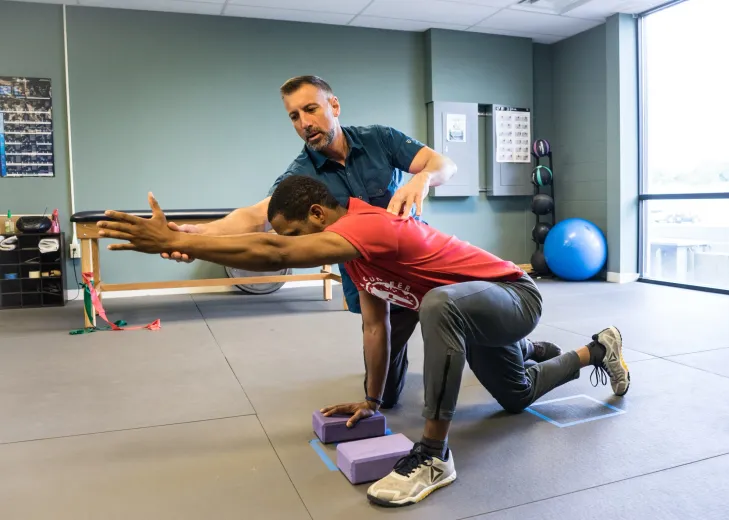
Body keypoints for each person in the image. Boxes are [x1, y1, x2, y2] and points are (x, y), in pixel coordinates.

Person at [96, 175, 632, 508]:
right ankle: (597, 348)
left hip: (514, 297)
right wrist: (373, 400)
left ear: (316, 215)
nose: (294, 246)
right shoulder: (356, 259)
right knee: (514, 396)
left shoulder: (368, 226)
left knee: (437, 303)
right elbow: (375, 325)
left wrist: (172, 238)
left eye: (296, 235)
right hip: (475, 314)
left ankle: (432, 455)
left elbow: (270, 253)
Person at [154, 74, 551, 408]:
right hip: (370, 276)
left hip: (417, 263)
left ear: (334, 106)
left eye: (310, 109)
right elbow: (257, 215)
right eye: (293, 116)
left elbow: (443, 163)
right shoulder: (301, 173)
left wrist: (421, 177)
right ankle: (511, 352)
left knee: (453, 318)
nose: (304, 122)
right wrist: (197, 234)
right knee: (385, 394)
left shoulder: (378, 140)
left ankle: (519, 350)